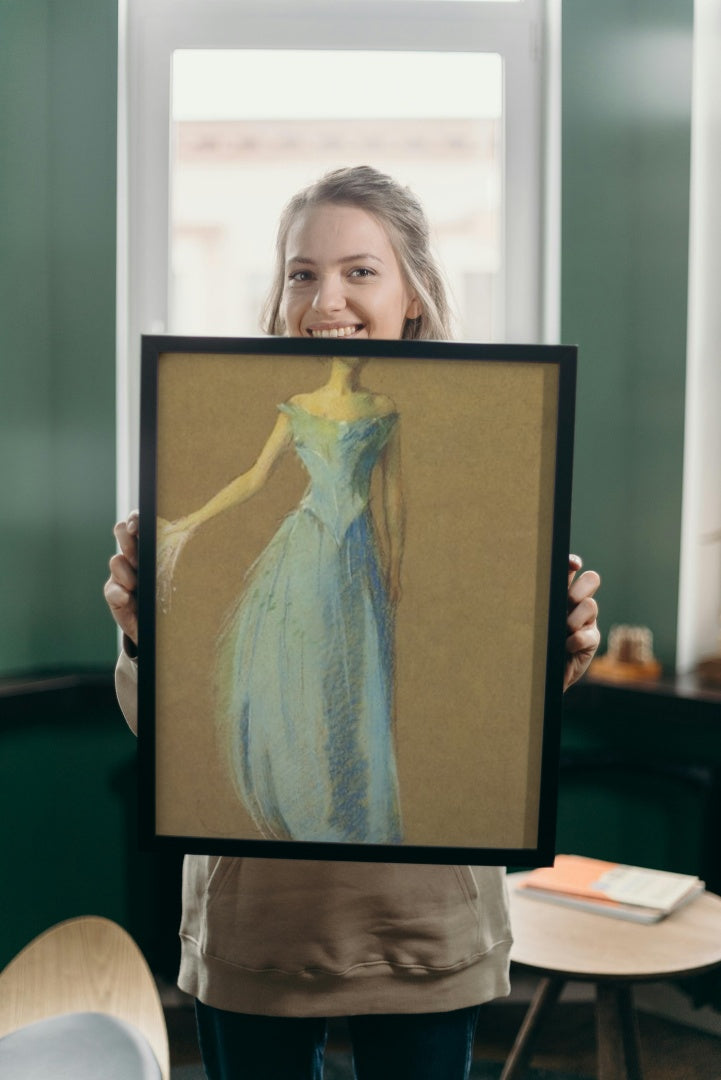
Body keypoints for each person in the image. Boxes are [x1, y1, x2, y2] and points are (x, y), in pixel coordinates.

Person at [105, 166, 601, 1080]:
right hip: (257, 926)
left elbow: (469, 649)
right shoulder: (217, 411)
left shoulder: (483, 430)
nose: (324, 297)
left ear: (412, 293)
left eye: (359, 271)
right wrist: (144, 632)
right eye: (301, 272)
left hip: (421, 924)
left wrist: (549, 652)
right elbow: (173, 734)